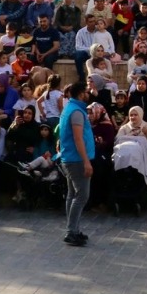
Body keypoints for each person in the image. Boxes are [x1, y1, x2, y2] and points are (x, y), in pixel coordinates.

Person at [55, 81, 93, 247]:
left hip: (69, 157)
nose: (88, 94)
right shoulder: (77, 111)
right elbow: (77, 138)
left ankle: (74, 229)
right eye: (86, 91)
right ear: (80, 94)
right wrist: (86, 161)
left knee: (72, 194)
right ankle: (71, 232)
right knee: (82, 195)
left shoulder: (69, 108)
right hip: (76, 159)